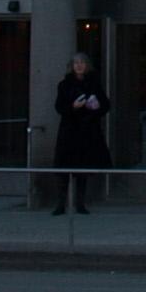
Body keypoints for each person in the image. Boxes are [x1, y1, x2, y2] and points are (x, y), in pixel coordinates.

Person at [48, 51, 111, 214]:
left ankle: (80, 203)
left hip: (87, 130)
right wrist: (73, 107)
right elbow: (59, 107)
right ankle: (61, 203)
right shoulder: (64, 84)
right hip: (69, 130)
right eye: (76, 63)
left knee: (83, 168)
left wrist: (96, 107)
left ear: (87, 65)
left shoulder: (94, 84)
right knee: (64, 168)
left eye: (82, 62)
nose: (79, 66)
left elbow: (105, 105)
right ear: (72, 66)